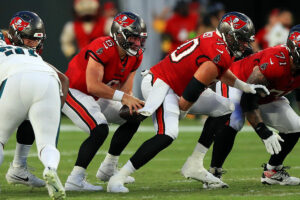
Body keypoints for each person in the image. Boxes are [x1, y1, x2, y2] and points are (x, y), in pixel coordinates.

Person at [106, 12, 269, 193]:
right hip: (162, 84)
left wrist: (245, 87)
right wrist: (180, 110)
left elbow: (219, 71)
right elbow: (195, 87)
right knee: (168, 134)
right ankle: (117, 178)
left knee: (225, 108)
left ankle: (195, 164)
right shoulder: (219, 51)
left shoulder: (219, 44)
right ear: (229, 35)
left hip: (178, 86)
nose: (246, 44)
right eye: (242, 39)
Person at [183, 24, 300, 188]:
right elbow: (247, 100)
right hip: (238, 85)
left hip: (266, 95)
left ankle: (272, 172)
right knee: (234, 120)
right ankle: (214, 172)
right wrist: (262, 131)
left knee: (295, 125)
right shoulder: (275, 62)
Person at [62, 11, 147, 191]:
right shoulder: (103, 46)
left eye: (140, 39)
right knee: (99, 128)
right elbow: (92, 86)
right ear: (118, 34)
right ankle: (74, 179)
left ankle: (108, 167)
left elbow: (125, 91)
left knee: (133, 115)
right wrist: (125, 97)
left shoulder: (135, 56)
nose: (137, 43)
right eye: (132, 38)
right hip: (73, 91)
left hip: (97, 96)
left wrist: (131, 102)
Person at [0, 13, 67, 199]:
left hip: (15, 77)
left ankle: (19, 168)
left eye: (35, 40)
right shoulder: (30, 53)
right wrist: (54, 111)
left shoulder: (10, 46)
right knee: (47, 143)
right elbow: (64, 79)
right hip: (49, 80)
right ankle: (50, 168)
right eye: (28, 39)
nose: (33, 44)